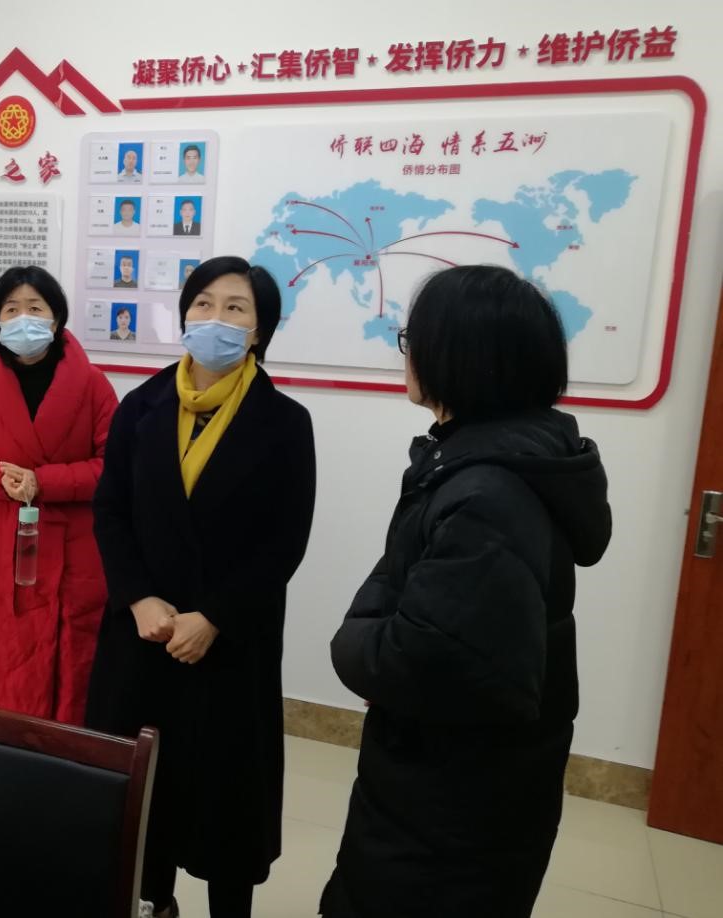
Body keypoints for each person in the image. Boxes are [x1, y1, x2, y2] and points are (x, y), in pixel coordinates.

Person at [319, 266, 612, 918]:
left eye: (412, 339)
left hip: (450, 807)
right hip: (469, 788)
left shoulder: (485, 493)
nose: (406, 354)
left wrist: (353, 642)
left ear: (460, 357)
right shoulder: (494, 460)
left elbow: (422, 658)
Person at [86, 256, 316, 918]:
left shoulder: (284, 421)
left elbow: (284, 541)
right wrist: (137, 597)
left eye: (236, 308)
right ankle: (153, 902)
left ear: (259, 330)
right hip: (144, 634)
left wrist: (213, 616)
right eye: (203, 304)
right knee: (142, 795)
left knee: (225, 801)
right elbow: (110, 511)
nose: (216, 318)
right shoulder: (141, 406)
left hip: (229, 642)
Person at [0, 265, 118, 724]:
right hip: (1, 540)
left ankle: (66, 754)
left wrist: (45, 482)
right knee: (0, 661)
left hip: (75, 546)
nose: (24, 318)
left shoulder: (93, 384)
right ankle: (0, 753)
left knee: (73, 666)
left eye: (36, 308)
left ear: (57, 319)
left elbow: (113, 467)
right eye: (12, 309)